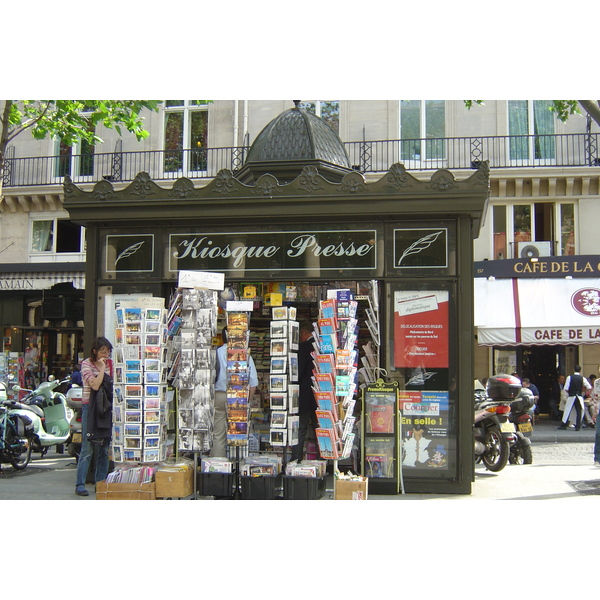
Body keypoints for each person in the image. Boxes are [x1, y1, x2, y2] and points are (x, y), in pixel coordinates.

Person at [75, 336, 114, 496]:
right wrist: (103, 368)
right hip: (90, 408)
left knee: (104, 447)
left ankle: (100, 483)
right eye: (103, 352)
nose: (106, 355)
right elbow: (95, 385)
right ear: (95, 351)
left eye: (108, 352)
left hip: (105, 408)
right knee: (88, 447)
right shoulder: (87, 364)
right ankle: (80, 484)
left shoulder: (111, 364)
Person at [210, 328, 257, 458]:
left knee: (218, 434)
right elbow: (253, 381)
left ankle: (217, 463)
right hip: (238, 396)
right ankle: (238, 463)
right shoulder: (244, 353)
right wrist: (247, 400)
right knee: (238, 435)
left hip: (219, 395)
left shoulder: (216, 353)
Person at [290, 321, 317, 462]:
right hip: (320, 397)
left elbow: (298, 372)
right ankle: (322, 459)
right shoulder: (321, 346)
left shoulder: (303, 347)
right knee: (320, 429)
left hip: (305, 395)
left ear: (304, 333)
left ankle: (296, 458)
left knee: (300, 428)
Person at [558, 365, 591, 431]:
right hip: (579, 396)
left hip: (571, 395)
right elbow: (589, 387)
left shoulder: (569, 377)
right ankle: (578, 426)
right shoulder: (582, 378)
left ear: (573, 370)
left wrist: (570, 392)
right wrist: (582, 391)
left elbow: (566, 388)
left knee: (567, 410)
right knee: (579, 411)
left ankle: (564, 424)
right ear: (580, 370)